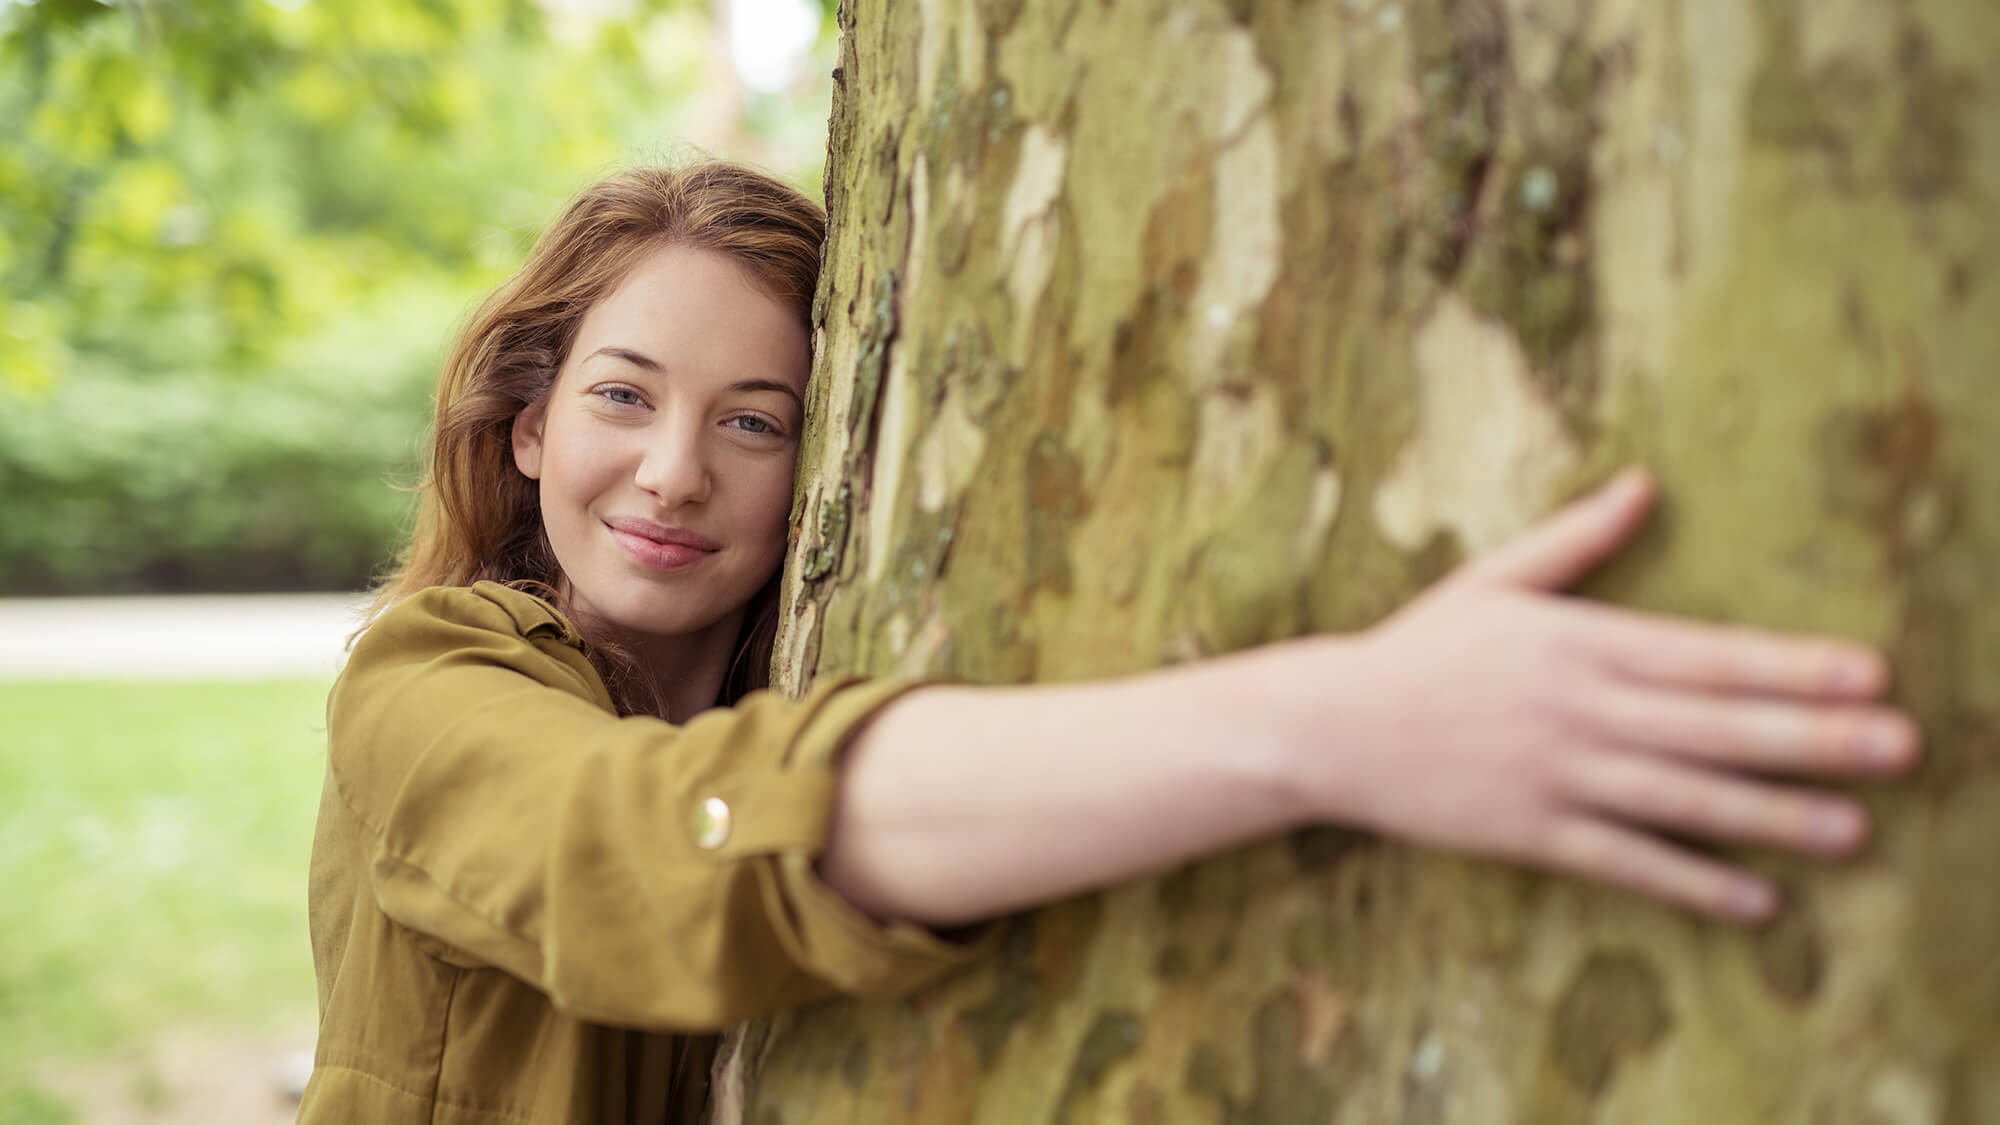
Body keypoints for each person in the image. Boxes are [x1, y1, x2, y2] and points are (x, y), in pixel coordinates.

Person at [297, 162, 1921, 1123]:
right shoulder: (423, 684)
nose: (673, 472)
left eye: (756, 420)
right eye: (623, 396)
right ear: (524, 426)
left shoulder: (786, 668)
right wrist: (1350, 723)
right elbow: (639, 847)